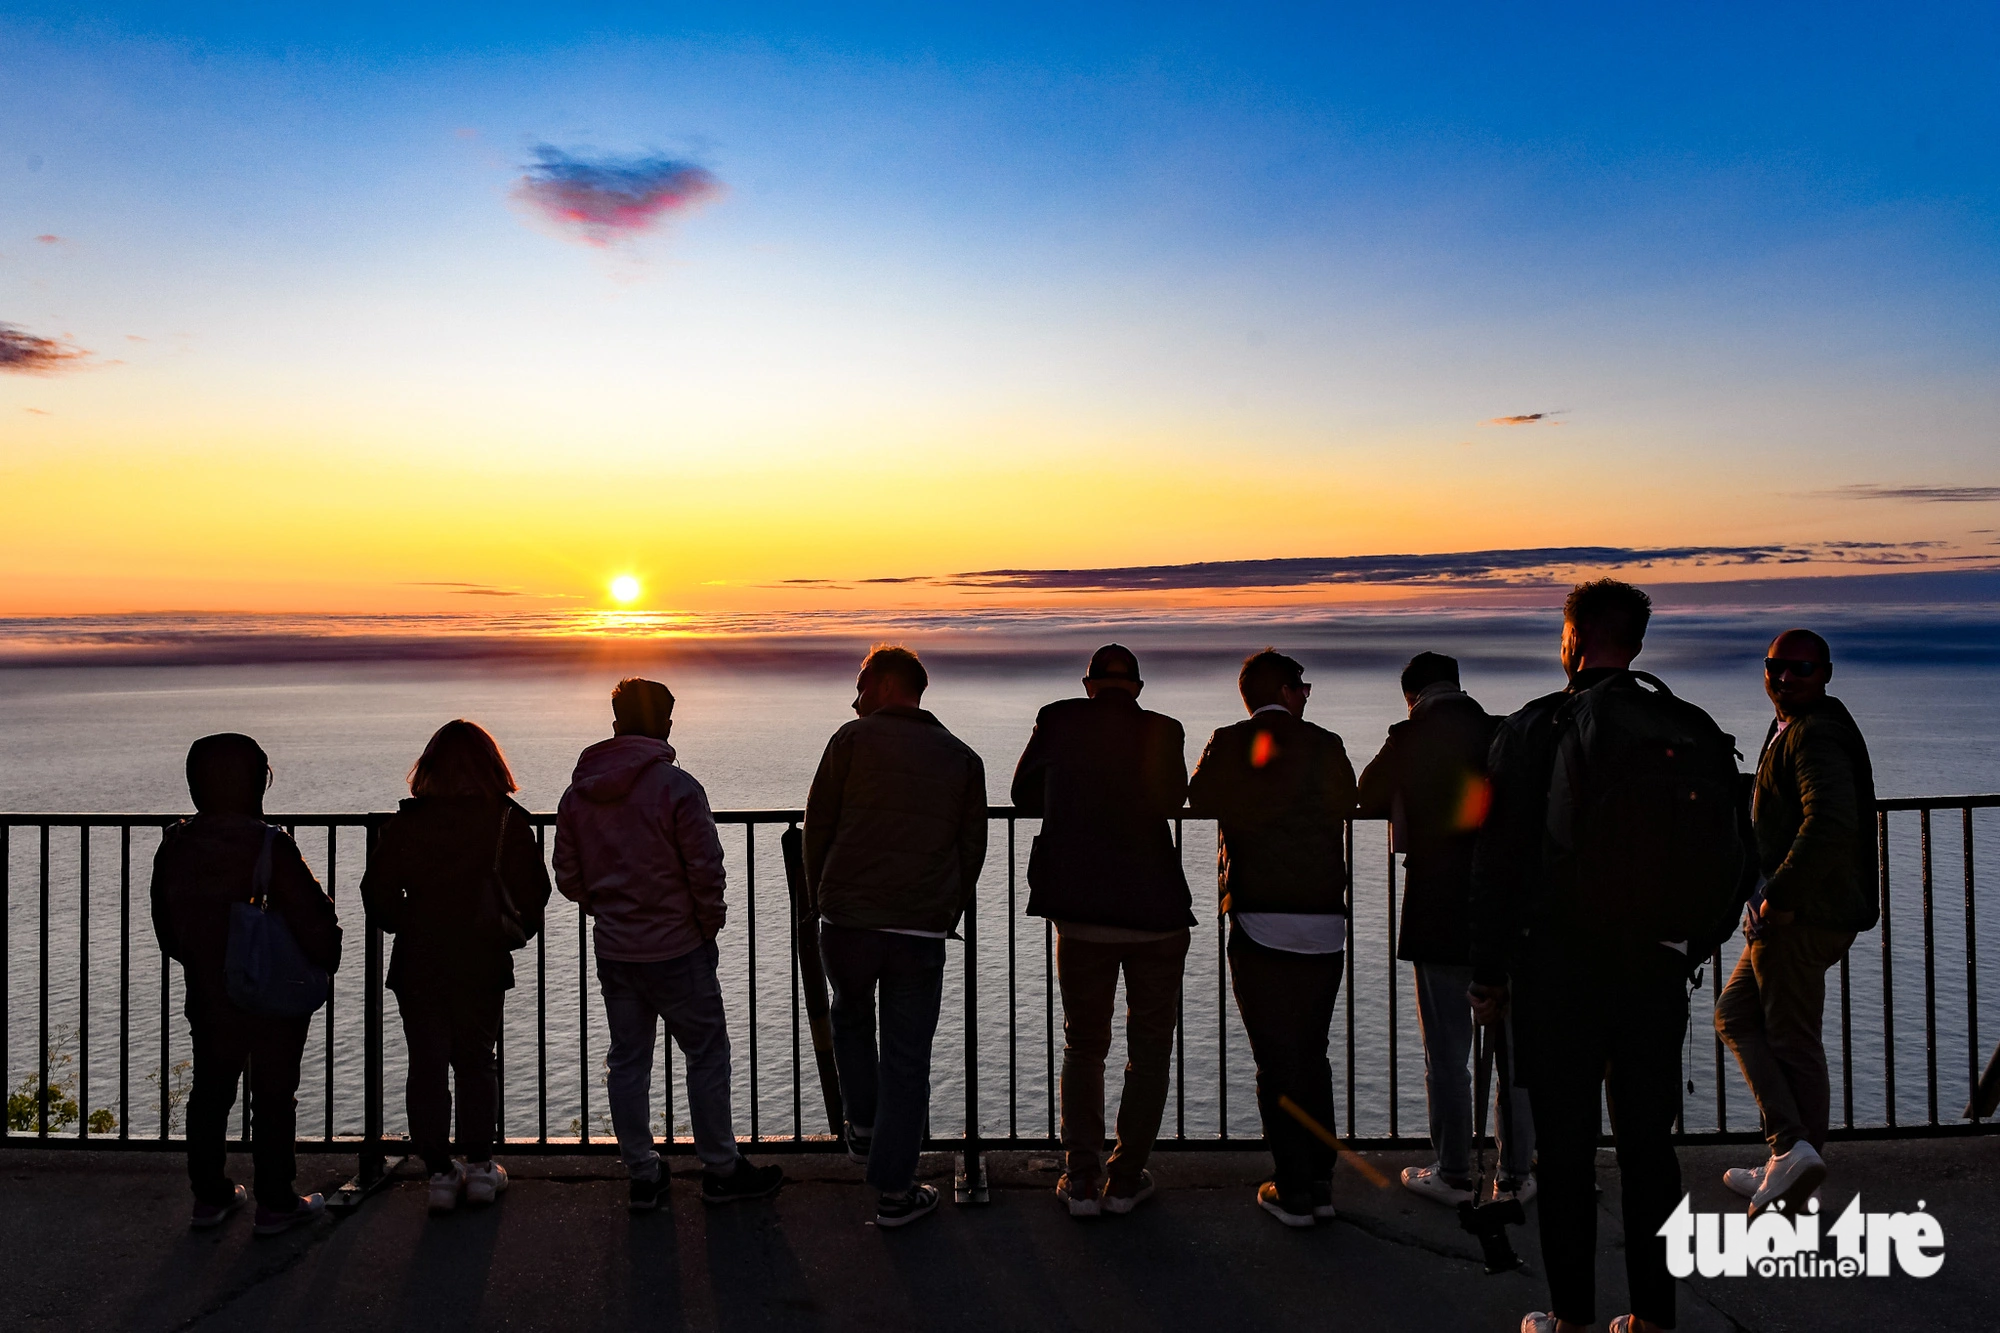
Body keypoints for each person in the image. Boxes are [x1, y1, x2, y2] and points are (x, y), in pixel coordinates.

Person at [1470, 581, 1743, 1333]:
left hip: (1557, 969)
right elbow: (1738, 855)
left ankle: (1570, 1318)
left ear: (1571, 639)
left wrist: (1488, 972)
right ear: (1638, 643)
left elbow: (1497, 862)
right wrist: (1689, 939)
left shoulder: (1534, 728)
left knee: (1564, 1154)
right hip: (1654, 970)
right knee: (1649, 1149)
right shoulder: (1687, 726)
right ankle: (1653, 1318)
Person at [554, 678, 782, 1210]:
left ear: (615, 723)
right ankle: (721, 1169)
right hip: (679, 947)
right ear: (665, 724)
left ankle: (642, 1173)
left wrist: (605, 908)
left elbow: (567, 876)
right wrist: (707, 924)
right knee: (706, 1054)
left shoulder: (577, 794)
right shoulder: (678, 789)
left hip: (615, 949)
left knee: (628, 1060)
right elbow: (706, 870)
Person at [806, 645, 987, 1228]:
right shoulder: (962, 758)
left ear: (885, 685)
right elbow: (972, 848)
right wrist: (943, 908)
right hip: (918, 931)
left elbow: (820, 826)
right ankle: (893, 1191)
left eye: (860, 683)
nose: (854, 697)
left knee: (851, 1017)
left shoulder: (849, 743)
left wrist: (821, 900)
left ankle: (861, 1126)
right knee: (907, 1058)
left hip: (848, 923)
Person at [1013, 644, 1192, 1218]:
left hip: (1082, 912)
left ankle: (1082, 1179)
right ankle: (1127, 1177)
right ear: (1136, 688)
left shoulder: (1058, 718)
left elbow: (1022, 794)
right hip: (1155, 911)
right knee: (1150, 1049)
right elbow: (1171, 799)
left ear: (1090, 684)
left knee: (1084, 1044)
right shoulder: (1165, 729)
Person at [1357, 652, 1532, 1208]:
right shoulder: (1504, 732)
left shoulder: (1410, 736)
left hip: (1438, 909)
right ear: (1459, 686)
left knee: (1448, 1052)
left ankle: (1455, 1171)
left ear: (1411, 695)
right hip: (1510, 909)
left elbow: (1368, 792)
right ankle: (1516, 1174)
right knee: (1514, 1054)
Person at [150, 733, 342, 1234]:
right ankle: (276, 1201)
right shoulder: (268, 844)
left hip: (209, 989)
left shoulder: (175, 844)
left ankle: (209, 1196)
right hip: (273, 990)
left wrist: (202, 960)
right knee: (275, 1094)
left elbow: (166, 926)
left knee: (211, 1089)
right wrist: (325, 962)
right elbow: (315, 917)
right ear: (256, 782)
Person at [1189, 648, 1355, 1227]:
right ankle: (1321, 1182)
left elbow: (1201, 798)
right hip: (1323, 920)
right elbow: (1347, 801)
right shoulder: (1326, 744)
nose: (1307, 695)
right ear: (1284, 691)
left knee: (1274, 1060)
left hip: (1259, 919)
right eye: (1302, 687)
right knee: (1314, 1054)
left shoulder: (1230, 742)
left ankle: (1293, 1189)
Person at [1715, 629, 1877, 1215]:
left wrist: (1779, 896)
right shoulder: (1796, 727)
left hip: (1799, 916)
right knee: (1735, 1015)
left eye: (1800, 668)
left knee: (1791, 1040)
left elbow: (1830, 821)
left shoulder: (1816, 735)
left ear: (1825, 673)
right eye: (1775, 667)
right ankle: (1790, 1154)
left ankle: (1791, 1159)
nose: (1784, 678)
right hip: (1793, 911)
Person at [361, 720, 552, 1213]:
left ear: (430, 768)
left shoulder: (408, 822)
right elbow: (535, 892)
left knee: (427, 1065)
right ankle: (482, 1168)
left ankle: (440, 1173)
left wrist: (407, 922)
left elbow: (376, 892)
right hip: (481, 955)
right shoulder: (506, 820)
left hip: (420, 956)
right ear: (492, 765)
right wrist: (512, 933)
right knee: (475, 1061)